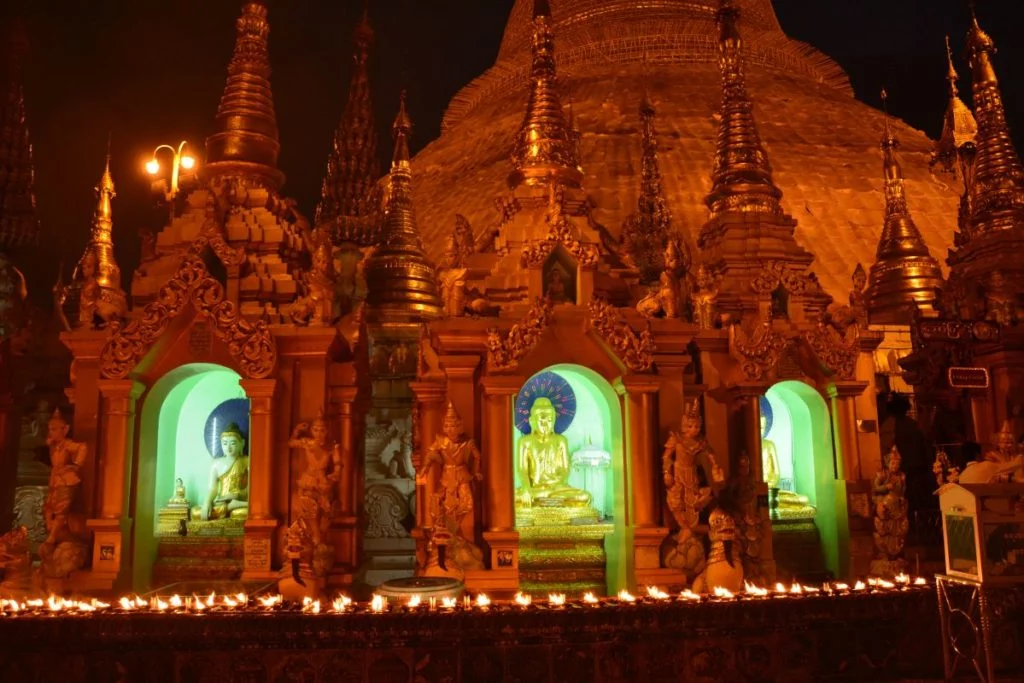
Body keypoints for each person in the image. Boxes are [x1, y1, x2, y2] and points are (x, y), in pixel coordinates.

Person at [879, 394, 933, 513]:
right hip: (918, 468)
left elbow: (887, 450)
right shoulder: (913, 424)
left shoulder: (889, 425)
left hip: (903, 470)